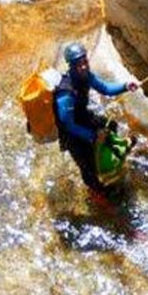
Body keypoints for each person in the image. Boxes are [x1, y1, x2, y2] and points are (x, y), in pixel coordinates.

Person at [53, 42, 138, 191]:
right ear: (71, 66)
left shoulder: (86, 76)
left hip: (83, 116)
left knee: (111, 126)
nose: (83, 66)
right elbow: (68, 125)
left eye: (85, 61)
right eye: (79, 64)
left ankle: (112, 153)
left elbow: (105, 88)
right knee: (88, 168)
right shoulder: (65, 93)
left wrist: (125, 86)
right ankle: (96, 192)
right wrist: (93, 136)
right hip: (71, 133)